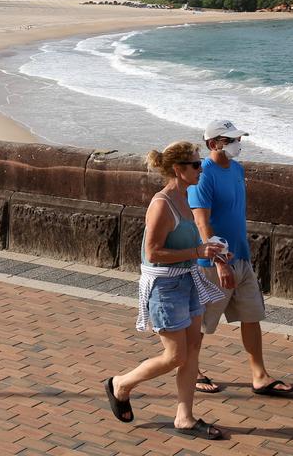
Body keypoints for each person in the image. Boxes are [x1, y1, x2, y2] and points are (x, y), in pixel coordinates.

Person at [104, 141, 227, 441]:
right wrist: (197, 249)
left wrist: (211, 251)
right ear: (178, 169)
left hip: (188, 279)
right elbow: (153, 252)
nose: (201, 169)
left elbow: (189, 245)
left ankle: (184, 417)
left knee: (193, 349)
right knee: (175, 356)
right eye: (196, 165)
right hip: (165, 285)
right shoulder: (162, 204)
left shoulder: (188, 196)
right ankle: (120, 384)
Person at [188, 119, 293, 397]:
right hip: (212, 263)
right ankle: (191, 369)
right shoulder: (203, 174)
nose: (238, 144)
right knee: (201, 322)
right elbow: (202, 224)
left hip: (241, 256)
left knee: (251, 315)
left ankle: (259, 375)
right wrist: (220, 262)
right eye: (231, 140)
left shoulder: (237, 169)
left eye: (238, 139)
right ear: (213, 144)